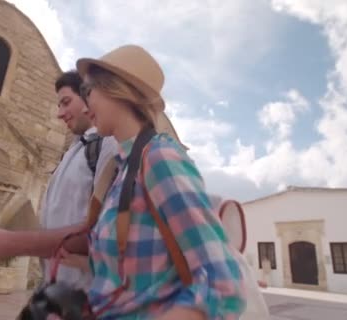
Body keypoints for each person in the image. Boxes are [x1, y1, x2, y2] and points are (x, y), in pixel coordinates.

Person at [74, 45, 246, 319]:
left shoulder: (158, 158)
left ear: (115, 89)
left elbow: (222, 284)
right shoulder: (119, 169)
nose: (84, 106)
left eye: (87, 92)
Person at [0, 71, 117, 290]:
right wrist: (0, 236)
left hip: (83, 299)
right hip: (53, 291)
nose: (60, 114)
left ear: (89, 97)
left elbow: (102, 233)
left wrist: (12, 244)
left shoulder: (107, 145)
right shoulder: (74, 150)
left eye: (66, 102)